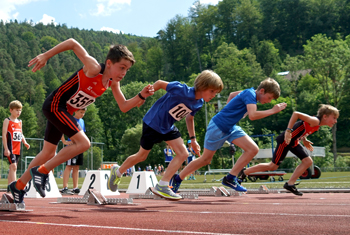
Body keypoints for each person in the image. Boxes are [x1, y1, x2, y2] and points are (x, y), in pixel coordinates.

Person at [8, 38, 154, 204]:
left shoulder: (112, 83)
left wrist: (141, 96)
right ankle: (42, 171)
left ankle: (18, 186)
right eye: (121, 67)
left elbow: (124, 106)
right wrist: (46, 55)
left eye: (127, 70)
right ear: (109, 63)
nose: (123, 73)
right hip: (55, 105)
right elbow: (72, 43)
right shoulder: (93, 68)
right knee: (84, 143)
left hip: (64, 112)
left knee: (48, 152)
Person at [108, 70, 224, 200]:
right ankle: (117, 172)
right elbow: (159, 83)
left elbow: (189, 119)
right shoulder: (182, 90)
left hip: (168, 127)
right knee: (141, 156)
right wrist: (142, 97)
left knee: (183, 153)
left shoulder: (199, 103)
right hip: (153, 122)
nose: (214, 95)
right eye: (212, 91)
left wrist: (193, 140)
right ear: (203, 86)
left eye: (216, 93)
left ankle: (162, 185)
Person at [170, 77, 287, 193]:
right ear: (262, 91)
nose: (269, 101)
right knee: (205, 159)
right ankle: (177, 178)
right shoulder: (250, 94)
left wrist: (231, 110)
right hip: (218, 126)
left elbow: (231, 95)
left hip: (230, 127)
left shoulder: (249, 93)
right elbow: (253, 115)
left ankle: (230, 178)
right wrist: (273, 110)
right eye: (269, 97)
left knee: (252, 149)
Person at [238, 104, 339, 196]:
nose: (335, 121)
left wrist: (304, 139)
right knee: (272, 166)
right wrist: (288, 131)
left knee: (308, 161)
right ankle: (244, 172)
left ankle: (290, 184)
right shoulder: (315, 121)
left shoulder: (317, 125)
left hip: (293, 142)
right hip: (285, 142)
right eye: (334, 118)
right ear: (325, 116)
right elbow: (296, 114)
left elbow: (301, 128)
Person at [2, 100, 30, 190]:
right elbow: (4, 135)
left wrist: (25, 142)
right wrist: (6, 148)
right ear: (11, 110)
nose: (19, 112)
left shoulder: (20, 121)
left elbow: (21, 133)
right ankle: (15, 188)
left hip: (17, 148)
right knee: (13, 166)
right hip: (10, 148)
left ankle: (10, 187)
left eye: (20, 110)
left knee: (13, 167)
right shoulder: (7, 121)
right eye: (17, 110)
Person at [60, 108, 86, 194]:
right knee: (69, 166)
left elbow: (83, 133)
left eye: (83, 113)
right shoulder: (71, 119)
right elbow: (61, 129)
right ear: (76, 111)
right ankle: (65, 187)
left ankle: (75, 187)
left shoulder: (82, 121)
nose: (82, 114)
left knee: (76, 167)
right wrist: (64, 141)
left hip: (80, 146)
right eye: (81, 112)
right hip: (72, 146)